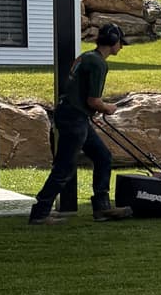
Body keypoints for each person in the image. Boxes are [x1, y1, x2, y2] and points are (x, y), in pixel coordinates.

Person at [29, 23, 133, 224]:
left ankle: (102, 208)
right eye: (120, 42)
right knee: (64, 168)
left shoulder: (86, 57)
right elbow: (93, 100)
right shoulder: (98, 63)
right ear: (113, 42)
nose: (121, 46)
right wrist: (107, 108)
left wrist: (92, 110)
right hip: (74, 118)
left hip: (74, 116)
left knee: (103, 156)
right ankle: (40, 213)